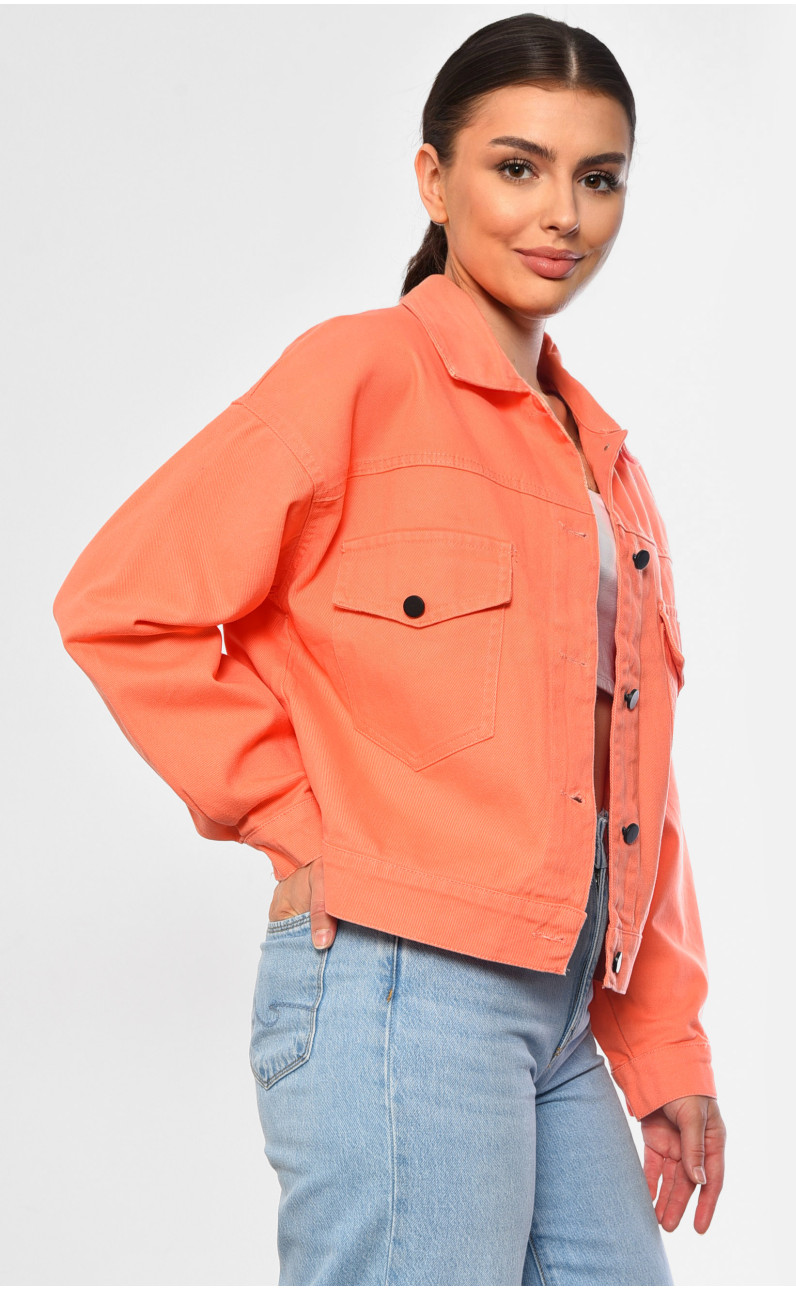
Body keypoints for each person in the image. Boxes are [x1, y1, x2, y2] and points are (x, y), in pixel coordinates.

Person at [52, 12, 727, 1286]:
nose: (562, 214)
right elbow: (121, 603)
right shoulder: (356, 377)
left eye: (598, 177)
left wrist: (665, 1044)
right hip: (405, 984)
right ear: (434, 177)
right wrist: (299, 822)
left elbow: (632, 780)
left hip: (564, 1010)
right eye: (517, 167)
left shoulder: (609, 470)